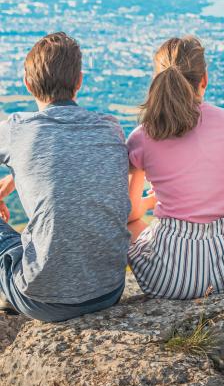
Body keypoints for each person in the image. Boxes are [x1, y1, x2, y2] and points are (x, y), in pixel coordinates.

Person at [0, 32, 129, 321]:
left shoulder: (17, 130)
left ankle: (11, 290)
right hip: (109, 290)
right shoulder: (110, 128)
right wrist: (13, 181)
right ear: (79, 81)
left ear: (28, 84)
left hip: (39, 299)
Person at [127, 36, 224, 298]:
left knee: (131, 226)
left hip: (170, 281)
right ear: (204, 79)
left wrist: (149, 203)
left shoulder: (144, 136)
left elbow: (129, 213)